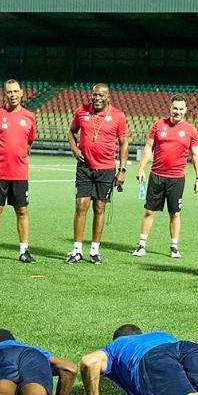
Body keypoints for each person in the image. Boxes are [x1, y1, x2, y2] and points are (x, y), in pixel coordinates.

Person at [131, 95, 198, 259]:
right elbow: (148, 148)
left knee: (175, 214)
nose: (177, 111)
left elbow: (196, 154)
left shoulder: (190, 130)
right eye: (175, 108)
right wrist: (141, 168)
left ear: (185, 110)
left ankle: (174, 247)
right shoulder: (158, 125)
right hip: (156, 176)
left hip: (177, 178)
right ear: (170, 108)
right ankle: (141, 245)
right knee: (149, 211)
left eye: (180, 109)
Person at [66, 83, 129, 264]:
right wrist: (74, 149)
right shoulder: (82, 111)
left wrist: (122, 170)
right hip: (84, 168)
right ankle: (77, 250)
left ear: (108, 97)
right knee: (80, 205)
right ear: (91, 95)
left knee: (99, 208)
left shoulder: (118, 116)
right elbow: (71, 132)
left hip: (106, 169)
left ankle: (94, 251)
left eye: (101, 95)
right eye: (95, 95)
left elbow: (124, 143)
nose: (97, 98)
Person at [0, 79, 37, 264]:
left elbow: (28, 143)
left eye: (15, 91)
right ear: (4, 94)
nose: (12, 95)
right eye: (9, 92)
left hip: (20, 173)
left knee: (22, 210)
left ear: (22, 93)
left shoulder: (29, 117)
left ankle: (24, 251)